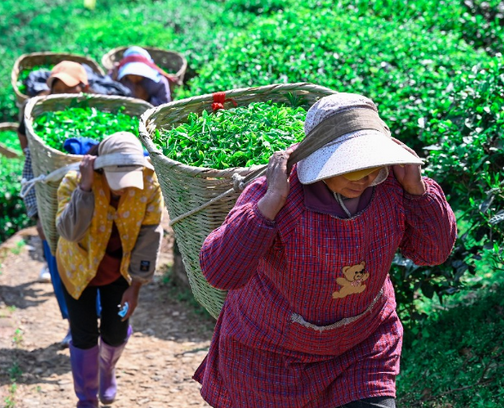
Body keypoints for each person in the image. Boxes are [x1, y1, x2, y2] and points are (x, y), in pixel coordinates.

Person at [193, 93, 457, 408]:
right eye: (352, 167)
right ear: (321, 159)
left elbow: (433, 252)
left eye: (372, 166)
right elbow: (220, 272)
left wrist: (417, 190)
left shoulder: (391, 186)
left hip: (362, 344)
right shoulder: (278, 193)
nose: (365, 178)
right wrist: (271, 202)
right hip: (270, 353)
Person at [55, 132, 164, 407]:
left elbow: (149, 235)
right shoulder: (74, 182)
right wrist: (85, 189)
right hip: (77, 268)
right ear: (101, 168)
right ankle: (86, 397)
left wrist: (136, 286)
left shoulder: (150, 184)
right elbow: (69, 232)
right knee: (84, 335)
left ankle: (107, 369)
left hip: (120, 271)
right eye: (117, 181)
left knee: (116, 331)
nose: (123, 189)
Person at [17, 60, 91, 348]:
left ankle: (100, 324)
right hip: (53, 206)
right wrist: (37, 215)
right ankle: (75, 325)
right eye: (58, 89)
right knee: (60, 263)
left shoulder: (93, 113)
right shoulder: (40, 117)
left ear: (84, 87)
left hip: (89, 203)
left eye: (70, 89)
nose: (64, 95)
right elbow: (29, 168)